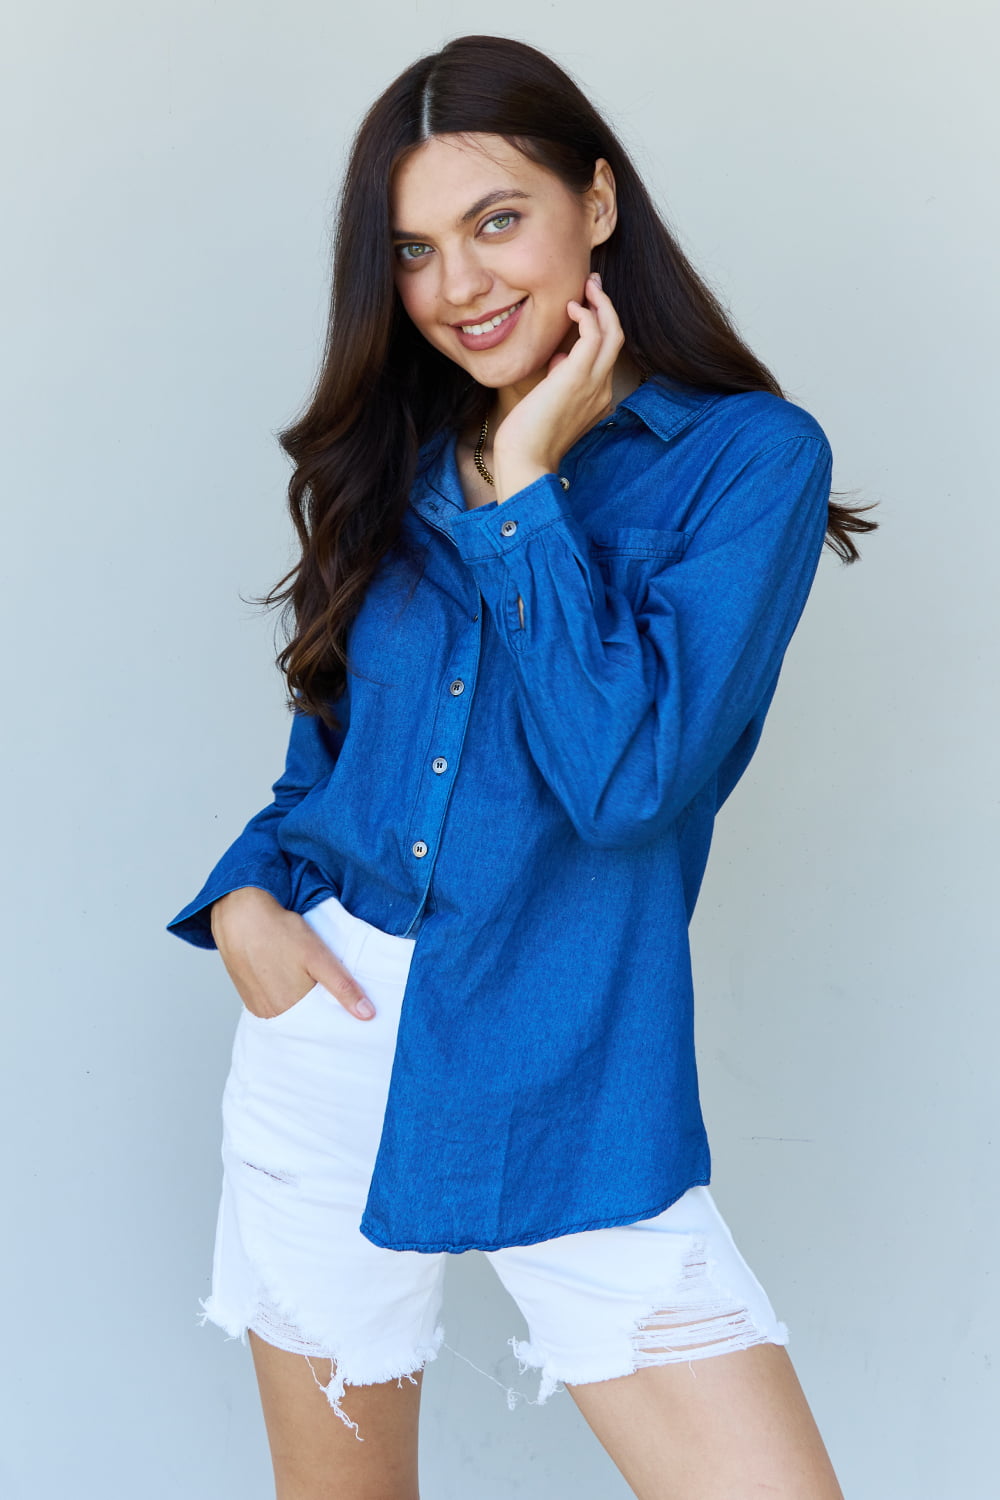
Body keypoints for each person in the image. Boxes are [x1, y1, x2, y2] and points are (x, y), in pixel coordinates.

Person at [168, 33, 873, 1500]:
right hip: (327, 1046)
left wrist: (528, 489)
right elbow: (328, 780)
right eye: (415, 250)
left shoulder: (749, 464)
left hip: (569, 1063)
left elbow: (627, 783)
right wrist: (244, 900)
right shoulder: (400, 459)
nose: (460, 286)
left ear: (597, 204)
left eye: (498, 221)